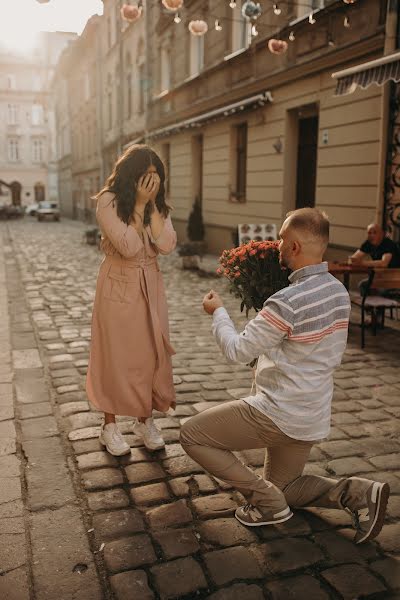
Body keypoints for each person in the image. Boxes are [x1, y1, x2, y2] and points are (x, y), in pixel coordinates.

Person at [180, 208, 389, 544]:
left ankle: (264, 502)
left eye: (280, 239)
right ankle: (357, 493)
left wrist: (218, 311)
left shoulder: (286, 301)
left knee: (192, 435)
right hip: (311, 414)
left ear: (293, 247)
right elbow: (301, 346)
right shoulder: (338, 292)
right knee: (288, 489)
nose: (277, 245)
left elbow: (237, 350)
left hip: (277, 411)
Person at [86, 144, 177, 456]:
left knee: (151, 353)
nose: (152, 183)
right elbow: (128, 246)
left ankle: (144, 420)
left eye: (156, 176)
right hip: (118, 284)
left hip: (150, 284)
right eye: (146, 176)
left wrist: (151, 207)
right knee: (115, 355)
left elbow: (166, 245)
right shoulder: (108, 201)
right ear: (131, 176)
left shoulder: (158, 204)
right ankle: (109, 425)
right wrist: (139, 205)